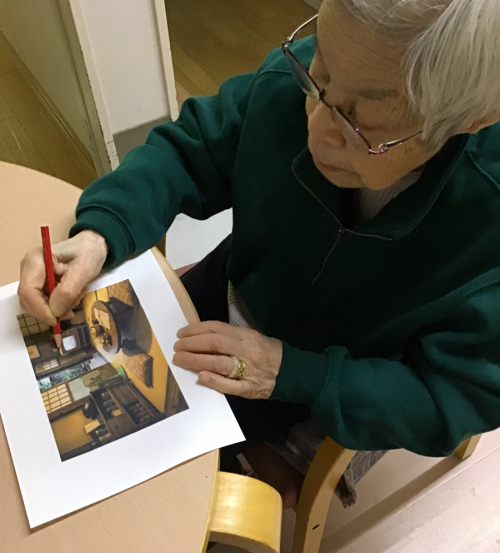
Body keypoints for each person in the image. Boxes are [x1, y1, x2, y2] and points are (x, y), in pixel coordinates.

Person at [18, 0, 500, 508]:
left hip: (333, 377)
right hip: (234, 286)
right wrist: (101, 232)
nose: (316, 128)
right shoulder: (305, 79)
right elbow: (193, 147)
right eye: (318, 76)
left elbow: (456, 396)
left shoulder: (487, 225)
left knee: (155, 503)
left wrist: (296, 374)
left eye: (360, 124)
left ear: (473, 118)